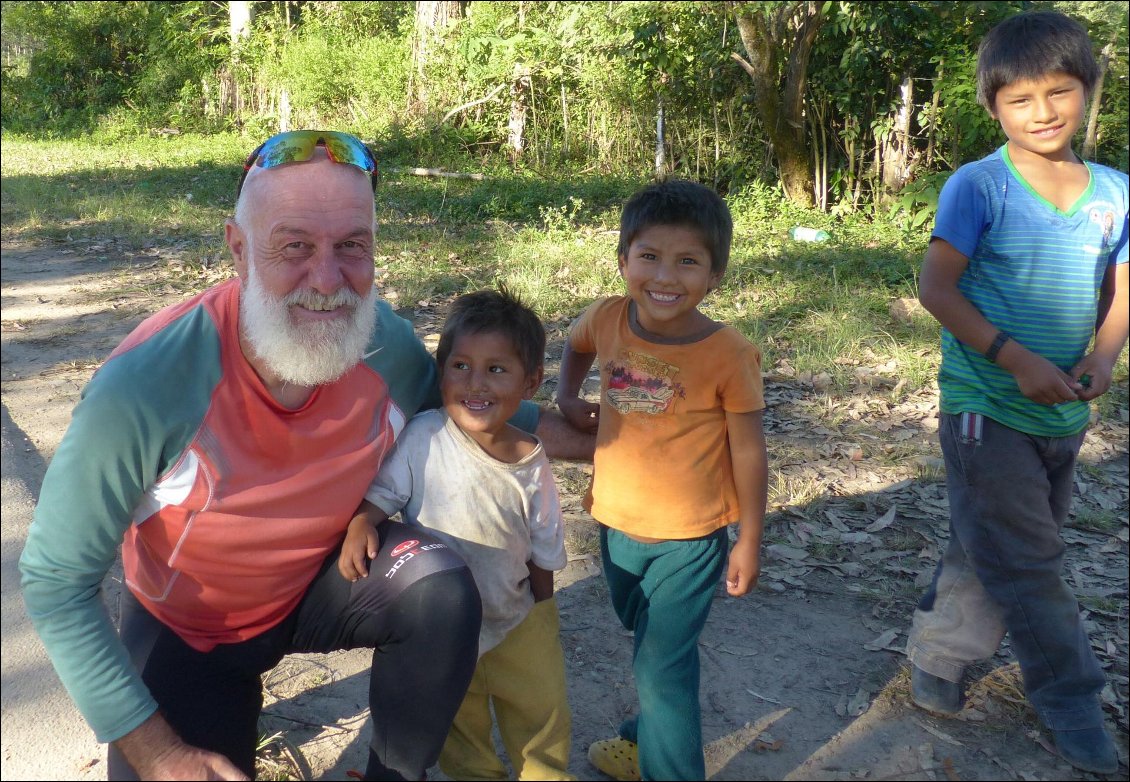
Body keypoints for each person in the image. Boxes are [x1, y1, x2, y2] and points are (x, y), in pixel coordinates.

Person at [18, 130, 593, 782]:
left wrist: (621, 443)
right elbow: (56, 583)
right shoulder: (147, 387)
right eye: (294, 246)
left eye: (352, 246)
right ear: (238, 249)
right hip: (193, 632)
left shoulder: (381, 344)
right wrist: (159, 753)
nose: (327, 280)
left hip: (324, 586)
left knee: (442, 589)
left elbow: (486, 413)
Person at [904, 12, 1128, 776]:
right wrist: (1012, 357)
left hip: (1064, 408)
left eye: (1060, 91)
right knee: (1029, 560)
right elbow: (937, 288)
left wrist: (1104, 356)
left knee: (992, 539)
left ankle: (937, 655)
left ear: (1089, 90)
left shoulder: (1114, 193)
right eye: (1021, 97)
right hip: (986, 406)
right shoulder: (980, 185)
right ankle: (1071, 700)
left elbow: (1120, 289)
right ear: (993, 105)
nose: (1043, 111)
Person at [556, 179, 769, 781]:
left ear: (714, 276)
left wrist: (750, 538)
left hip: (691, 538)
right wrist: (567, 394)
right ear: (624, 260)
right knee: (644, 635)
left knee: (661, 664)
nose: (664, 276)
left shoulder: (729, 353)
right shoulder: (608, 317)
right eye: (649, 256)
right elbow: (576, 344)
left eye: (687, 261)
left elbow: (750, 453)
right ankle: (643, 740)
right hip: (615, 523)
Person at [340, 286, 575, 781]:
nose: (476, 383)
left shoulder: (532, 462)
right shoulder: (424, 435)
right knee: (459, 727)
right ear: (440, 369)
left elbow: (545, 541)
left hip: (518, 619)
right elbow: (385, 492)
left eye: (496, 369)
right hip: (443, 626)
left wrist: (542, 605)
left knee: (540, 715)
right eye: (460, 365)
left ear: (530, 382)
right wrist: (363, 520)